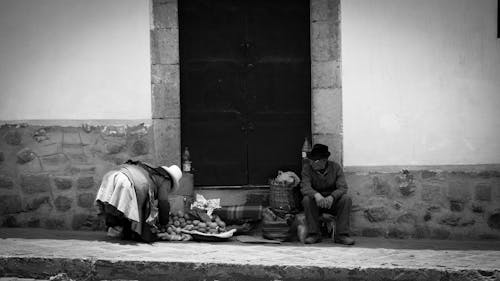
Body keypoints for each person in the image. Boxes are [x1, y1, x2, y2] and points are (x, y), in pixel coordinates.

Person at [95, 159, 182, 242]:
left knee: (118, 206)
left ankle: (118, 229)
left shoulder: (151, 171)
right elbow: (163, 203)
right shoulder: (166, 180)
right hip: (126, 181)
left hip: (112, 175)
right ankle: (129, 232)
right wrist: (164, 222)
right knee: (136, 210)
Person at [300, 144, 355, 245]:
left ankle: (342, 235)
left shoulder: (335, 167)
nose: (311, 163)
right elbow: (305, 187)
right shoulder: (307, 169)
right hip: (316, 202)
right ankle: (314, 234)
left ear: (324, 160)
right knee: (306, 200)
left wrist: (332, 197)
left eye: (315, 161)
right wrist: (316, 195)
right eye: (311, 160)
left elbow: (343, 187)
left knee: (346, 199)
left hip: (332, 202)